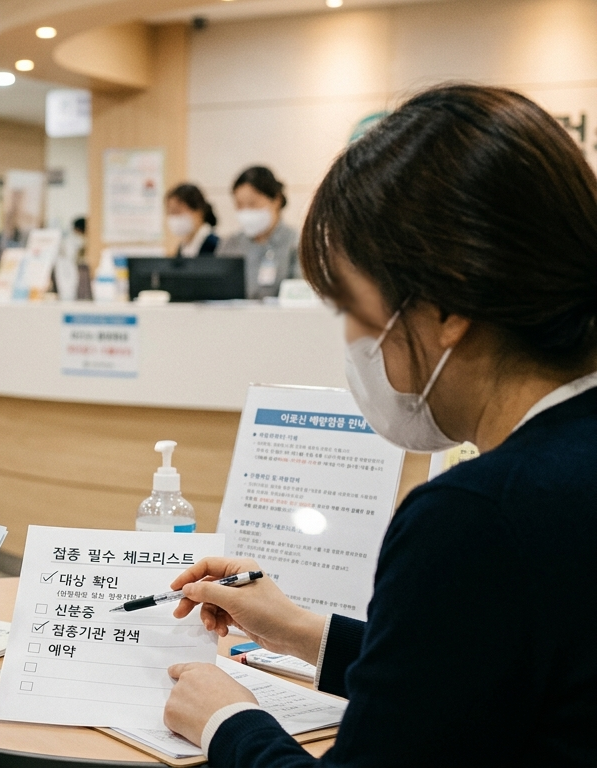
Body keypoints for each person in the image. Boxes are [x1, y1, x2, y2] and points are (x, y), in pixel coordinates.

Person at [160, 85, 597, 766]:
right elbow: (476, 670)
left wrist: (228, 723)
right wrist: (304, 630)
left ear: (446, 303)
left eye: (359, 312)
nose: (356, 343)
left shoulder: (475, 518)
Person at [218, 166, 299, 299]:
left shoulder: (295, 242)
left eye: (252, 204)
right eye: (239, 205)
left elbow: (300, 294)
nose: (246, 211)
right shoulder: (230, 244)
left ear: (276, 200)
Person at [165, 184, 219, 258]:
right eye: (170, 213)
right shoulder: (182, 248)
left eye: (177, 211)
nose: (174, 217)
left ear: (198, 212)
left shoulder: (215, 246)